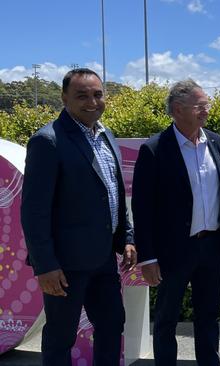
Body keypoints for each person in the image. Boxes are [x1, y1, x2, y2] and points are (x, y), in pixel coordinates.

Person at [20, 68, 137, 366]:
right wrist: (45, 265)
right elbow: (34, 211)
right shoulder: (48, 141)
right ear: (64, 98)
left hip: (103, 262)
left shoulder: (106, 134)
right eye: (81, 95)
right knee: (61, 336)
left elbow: (113, 193)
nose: (92, 102)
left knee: (112, 327)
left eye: (97, 94)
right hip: (64, 266)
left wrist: (126, 238)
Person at [131, 79, 220, 365]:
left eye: (207, 104)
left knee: (208, 315)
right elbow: (142, 208)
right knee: (167, 318)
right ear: (178, 109)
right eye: (201, 105)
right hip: (172, 251)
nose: (207, 110)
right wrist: (148, 258)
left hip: (212, 248)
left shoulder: (216, 142)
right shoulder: (155, 149)